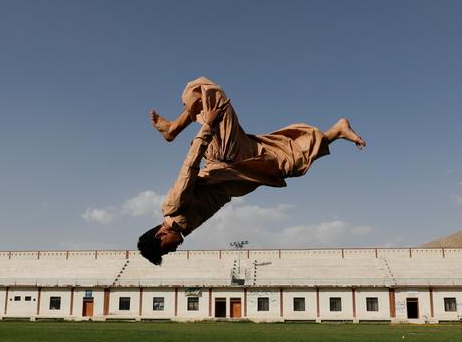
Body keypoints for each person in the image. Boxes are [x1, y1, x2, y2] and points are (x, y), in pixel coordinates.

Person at [138, 77, 365, 265]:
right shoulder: (183, 227)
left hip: (224, 159)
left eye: (167, 250)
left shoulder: (172, 207)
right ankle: (337, 131)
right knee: (287, 164)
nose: (173, 250)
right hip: (238, 176)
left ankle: (172, 129)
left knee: (210, 93)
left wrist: (208, 127)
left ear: (160, 235)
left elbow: (189, 167)